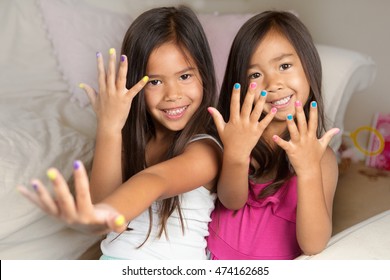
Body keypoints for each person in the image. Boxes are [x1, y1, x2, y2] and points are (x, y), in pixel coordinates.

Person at [17, 6, 222, 260]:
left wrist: (100, 213)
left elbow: (156, 181)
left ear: (204, 73)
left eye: (185, 76)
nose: (173, 94)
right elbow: (102, 205)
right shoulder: (133, 142)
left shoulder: (206, 149)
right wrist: (109, 128)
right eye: (155, 82)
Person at [206, 10, 340, 260]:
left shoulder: (322, 157)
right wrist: (236, 154)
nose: (273, 83)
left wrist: (309, 170)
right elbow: (231, 201)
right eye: (255, 75)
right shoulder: (240, 135)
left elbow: (314, 245)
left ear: (309, 66)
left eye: (285, 66)